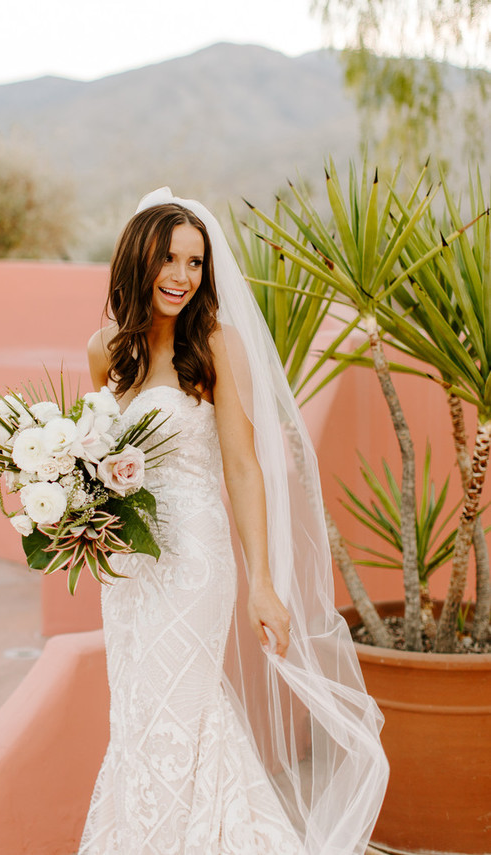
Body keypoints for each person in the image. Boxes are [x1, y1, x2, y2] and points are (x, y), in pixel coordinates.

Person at [79, 189, 389, 855]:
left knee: (179, 706)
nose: (182, 275)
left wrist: (262, 583)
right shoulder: (105, 350)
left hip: (194, 560)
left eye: (196, 262)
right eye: (168, 258)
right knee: (136, 712)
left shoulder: (216, 343)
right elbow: (96, 459)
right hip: (127, 568)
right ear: (138, 259)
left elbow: (244, 467)